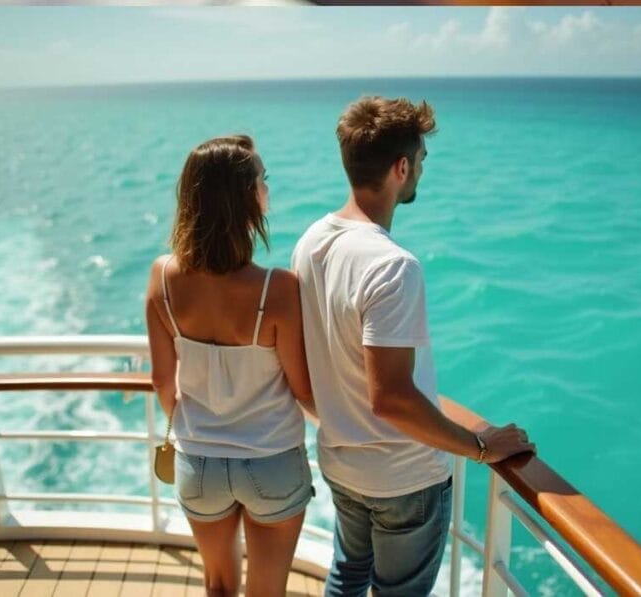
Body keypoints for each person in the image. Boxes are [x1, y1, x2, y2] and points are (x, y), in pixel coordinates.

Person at [291, 97, 536, 596]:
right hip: (402, 480)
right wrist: (482, 447)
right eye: (421, 160)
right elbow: (392, 398)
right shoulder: (393, 265)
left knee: (347, 575)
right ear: (402, 168)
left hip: (341, 462)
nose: (422, 170)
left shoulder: (310, 241)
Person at [146, 135, 317, 597]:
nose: (267, 189)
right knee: (267, 590)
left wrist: (197, 427)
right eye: (263, 180)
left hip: (199, 463)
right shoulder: (277, 289)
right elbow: (303, 390)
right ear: (244, 199)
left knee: (218, 585)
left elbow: (163, 380)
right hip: (272, 462)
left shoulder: (162, 276)